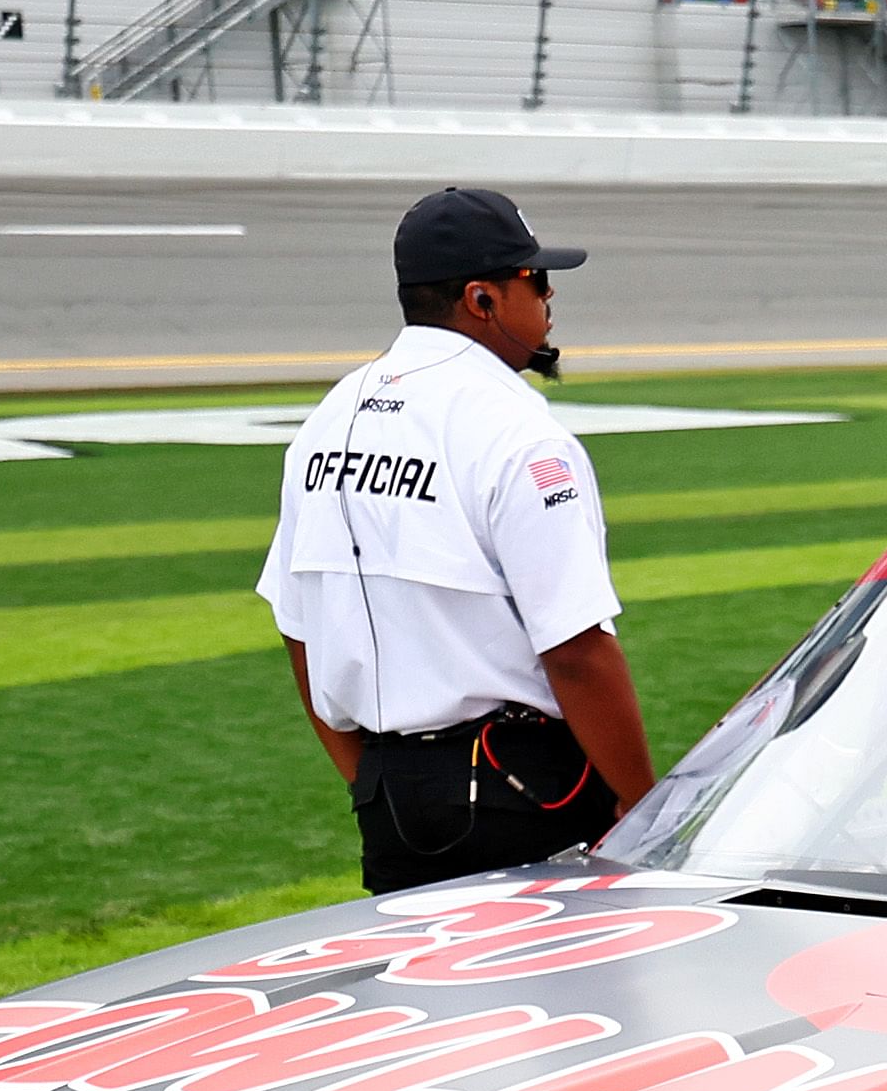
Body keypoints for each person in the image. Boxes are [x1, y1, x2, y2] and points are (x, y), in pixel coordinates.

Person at [260, 187, 655, 893]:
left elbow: (299, 631)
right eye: (533, 279)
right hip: (530, 793)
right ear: (482, 299)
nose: (549, 296)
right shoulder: (518, 431)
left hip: (391, 801)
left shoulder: (328, 417)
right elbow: (576, 650)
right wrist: (641, 802)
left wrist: (380, 782)